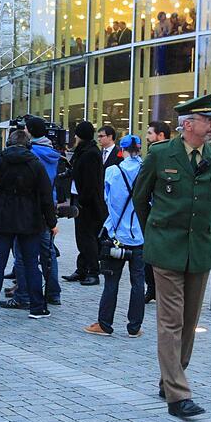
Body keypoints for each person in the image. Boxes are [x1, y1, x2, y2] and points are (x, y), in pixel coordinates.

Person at [133, 94, 211, 420]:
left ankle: (169, 377)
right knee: (170, 321)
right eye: (209, 120)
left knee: (189, 323)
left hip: (199, 249)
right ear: (188, 125)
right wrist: (156, 234)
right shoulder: (161, 155)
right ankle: (178, 395)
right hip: (166, 249)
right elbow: (140, 198)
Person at [0, 129, 57, 320]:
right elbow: (46, 196)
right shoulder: (35, 164)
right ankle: (37, 307)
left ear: (9, 143)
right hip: (30, 219)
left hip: (3, 218)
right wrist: (51, 222)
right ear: (28, 144)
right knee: (31, 263)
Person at [84, 135, 145, 337]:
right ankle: (134, 327)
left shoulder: (112, 171)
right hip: (139, 235)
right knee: (138, 283)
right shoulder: (145, 170)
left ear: (122, 149)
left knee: (111, 281)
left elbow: (107, 199)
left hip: (116, 234)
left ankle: (105, 323)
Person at [6, 115, 63, 310]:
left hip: (29, 207)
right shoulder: (52, 152)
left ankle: (23, 294)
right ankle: (53, 292)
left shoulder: (30, 154)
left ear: (29, 131)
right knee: (47, 252)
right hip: (48, 205)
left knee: (22, 254)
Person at [63, 121, 106, 286]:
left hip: (87, 203)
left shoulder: (90, 153)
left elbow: (91, 182)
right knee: (82, 237)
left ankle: (93, 272)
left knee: (88, 238)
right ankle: (81, 269)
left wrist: (82, 201)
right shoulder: (82, 151)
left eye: (76, 134)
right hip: (79, 199)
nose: (74, 136)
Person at [142, 121, 172, 303]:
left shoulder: (168, 155)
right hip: (153, 213)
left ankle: (159, 289)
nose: (147, 137)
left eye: (150, 133)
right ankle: (152, 287)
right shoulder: (153, 155)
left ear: (161, 135)